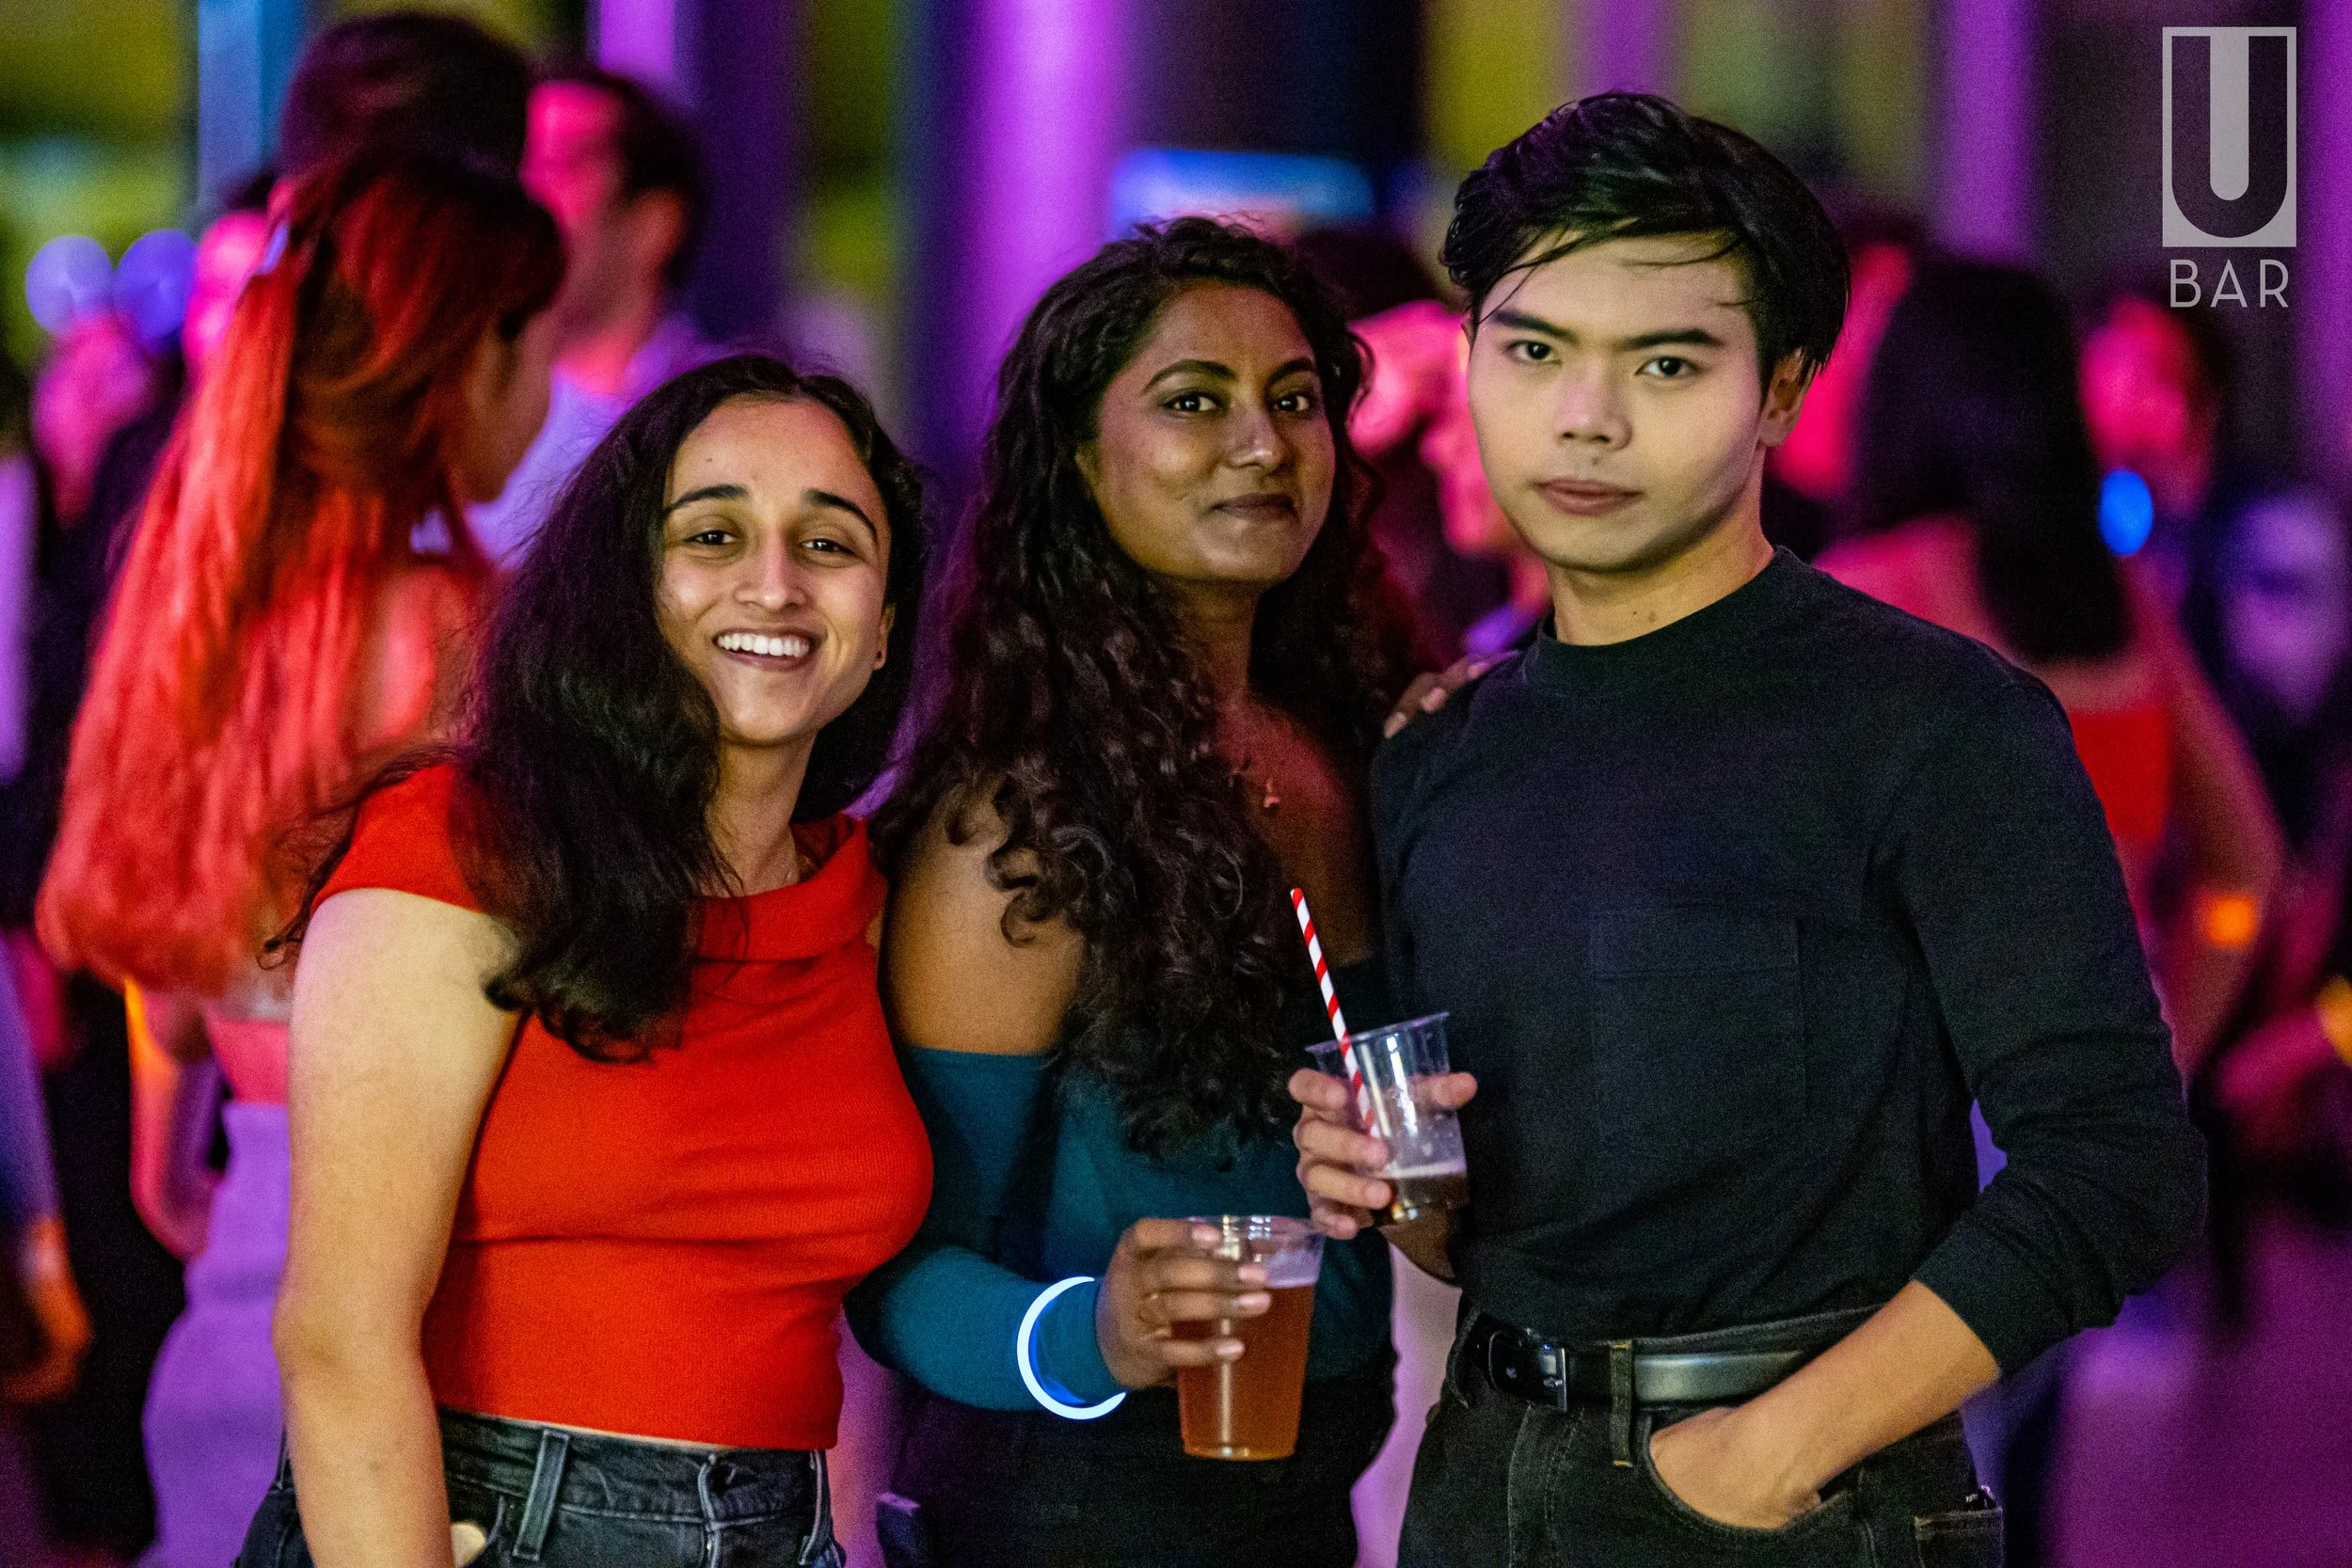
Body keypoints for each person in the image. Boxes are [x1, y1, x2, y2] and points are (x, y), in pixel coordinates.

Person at [1291, 93, 2205, 1566]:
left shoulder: (1928, 720)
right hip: (1479, 1481)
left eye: (1666, 361)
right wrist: (1384, 1181)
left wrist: (1764, 1455)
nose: (1588, 415)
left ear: (1779, 390)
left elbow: (2115, 1165)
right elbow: (1468, 1219)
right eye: (1533, 350)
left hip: (1796, 1495)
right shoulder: (1439, 751)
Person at [249, 353, 930, 1568]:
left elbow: (830, 1328)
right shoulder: (465, 846)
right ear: (630, 588)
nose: (773, 582)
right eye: (712, 534)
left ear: (881, 632)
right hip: (487, 1520)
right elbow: (339, 1336)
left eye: (829, 544)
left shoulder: (868, 899)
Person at [846, 217, 1421, 1568]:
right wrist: (1087, 1329)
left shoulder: (1346, 739)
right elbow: (895, 1265)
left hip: (1313, 1487)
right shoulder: (1019, 826)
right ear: (1078, 461)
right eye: (1191, 402)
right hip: (1077, 1506)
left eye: (1295, 399)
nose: (1263, 443)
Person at [35, 153, 563, 1568]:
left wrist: (168, 1135)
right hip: (431, 1282)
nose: (555, 386)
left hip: (233, 1264)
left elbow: (166, 929)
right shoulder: (470, 632)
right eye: (542, 340)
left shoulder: (198, 605)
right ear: (470, 358)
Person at [1820, 259, 2283, 1075]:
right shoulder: (2121, 602)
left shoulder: (1867, 590)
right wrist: (2174, 1044)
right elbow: (2244, 874)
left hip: (1936, 1102)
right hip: (2099, 1088)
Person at [470, 64, 718, 565]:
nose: (525, 191)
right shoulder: (463, 412)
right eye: (519, 162)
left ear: (653, 225)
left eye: (558, 166)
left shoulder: (723, 415)